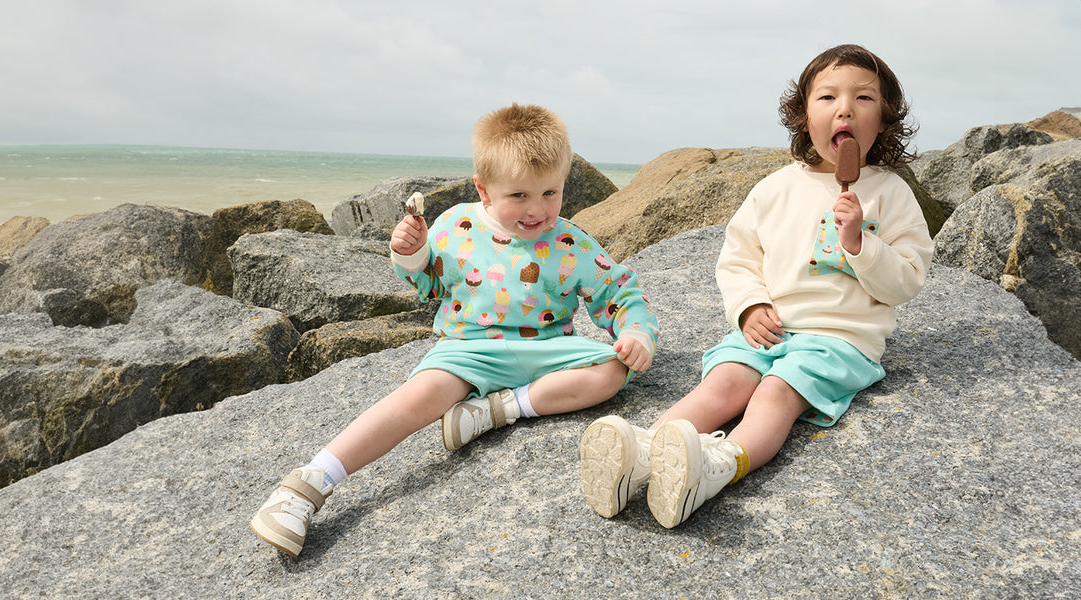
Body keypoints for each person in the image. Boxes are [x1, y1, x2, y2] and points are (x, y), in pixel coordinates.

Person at [250, 104, 661, 557]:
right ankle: (307, 485)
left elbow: (618, 291)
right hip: (469, 349)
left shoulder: (571, 242)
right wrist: (411, 255)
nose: (538, 210)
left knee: (611, 370)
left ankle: (495, 411)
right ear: (483, 191)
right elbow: (427, 284)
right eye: (519, 196)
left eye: (550, 192)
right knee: (415, 399)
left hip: (549, 351)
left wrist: (635, 332)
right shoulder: (456, 226)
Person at [577, 44, 933, 528]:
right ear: (804, 116)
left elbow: (907, 279)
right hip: (770, 328)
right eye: (827, 97)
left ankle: (722, 466)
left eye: (863, 99)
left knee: (774, 393)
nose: (844, 108)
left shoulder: (890, 193)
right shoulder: (776, 188)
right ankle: (642, 453)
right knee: (721, 384)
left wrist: (860, 245)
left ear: (885, 121)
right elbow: (739, 256)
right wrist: (749, 306)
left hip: (839, 339)